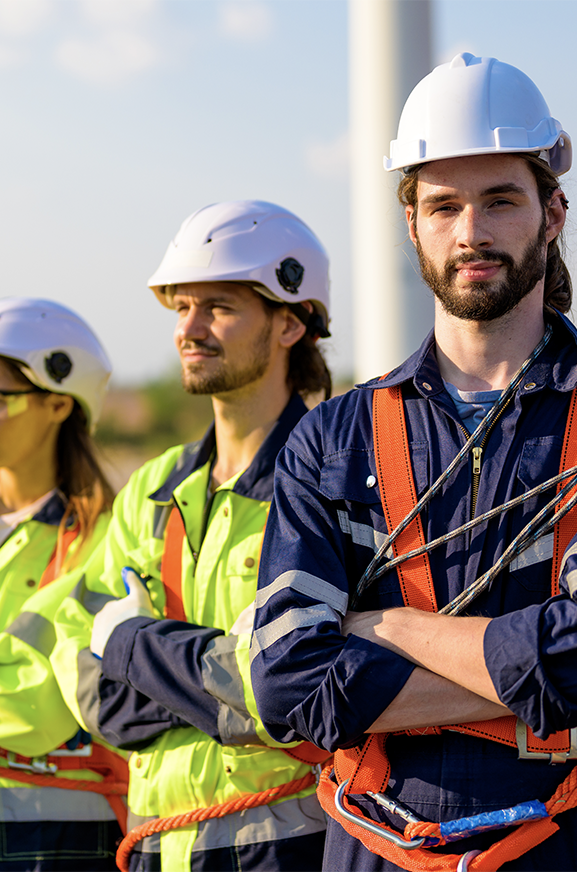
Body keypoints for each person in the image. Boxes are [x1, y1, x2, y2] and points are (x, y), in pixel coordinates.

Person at [248, 54, 577, 871]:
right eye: (444, 205)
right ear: (413, 226)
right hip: (377, 846)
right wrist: (538, 675)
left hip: (571, 846)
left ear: (553, 212)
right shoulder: (330, 441)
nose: (471, 232)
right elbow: (287, 687)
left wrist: (386, 626)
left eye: (500, 200)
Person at [51, 201, 332, 872]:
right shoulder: (153, 488)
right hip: (158, 844)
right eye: (182, 307)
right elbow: (80, 664)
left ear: (291, 322)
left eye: (219, 308)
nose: (190, 328)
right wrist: (208, 691)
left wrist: (131, 644)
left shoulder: (331, 485)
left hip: (288, 846)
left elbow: (289, 694)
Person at [0, 298, 122, 870]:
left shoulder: (106, 539)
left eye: (1, 398)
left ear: (57, 404)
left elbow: (39, 708)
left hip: (58, 839)